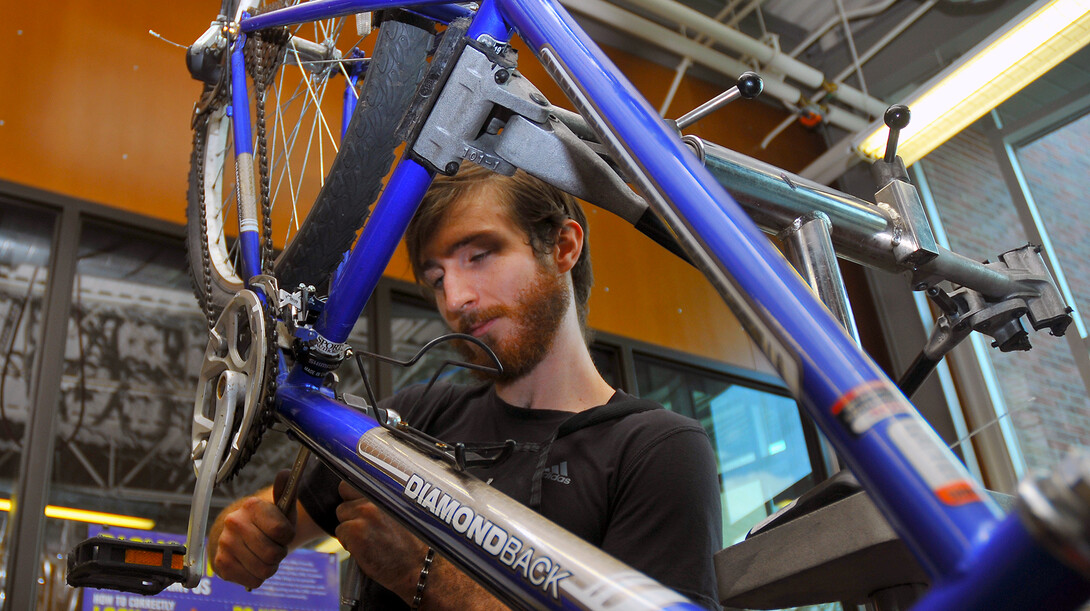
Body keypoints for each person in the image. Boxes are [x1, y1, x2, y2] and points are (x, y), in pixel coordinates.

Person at [207, 163, 723, 609]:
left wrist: (424, 573)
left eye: (479, 256)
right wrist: (242, 532)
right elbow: (267, 527)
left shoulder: (655, 450)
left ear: (563, 247)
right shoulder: (417, 416)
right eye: (436, 278)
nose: (455, 299)